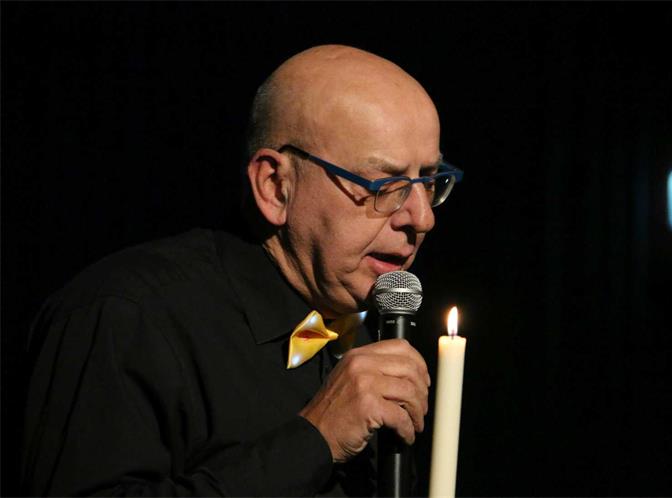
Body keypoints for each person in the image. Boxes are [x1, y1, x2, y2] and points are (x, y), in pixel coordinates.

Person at [21, 45, 462, 496]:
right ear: (275, 186)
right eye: (386, 184)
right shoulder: (127, 317)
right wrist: (315, 441)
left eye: (429, 181)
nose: (422, 218)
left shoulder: (364, 337)